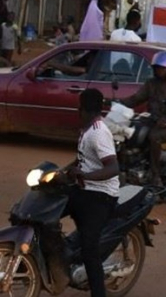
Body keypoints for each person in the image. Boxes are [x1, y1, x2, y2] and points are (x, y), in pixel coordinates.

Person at [59, 89, 120, 297]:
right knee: (48, 210)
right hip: (84, 190)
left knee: (89, 250)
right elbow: (82, 159)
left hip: (101, 197)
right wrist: (60, 173)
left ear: (82, 109)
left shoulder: (98, 133)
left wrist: (85, 176)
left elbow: (113, 168)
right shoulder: (86, 129)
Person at [126, 52, 166, 182]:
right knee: (130, 130)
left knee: (154, 136)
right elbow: (136, 99)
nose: (159, 70)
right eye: (157, 67)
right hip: (152, 120)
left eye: (163, 68)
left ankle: (156, 175)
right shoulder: (151, 83)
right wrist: (115, 102)